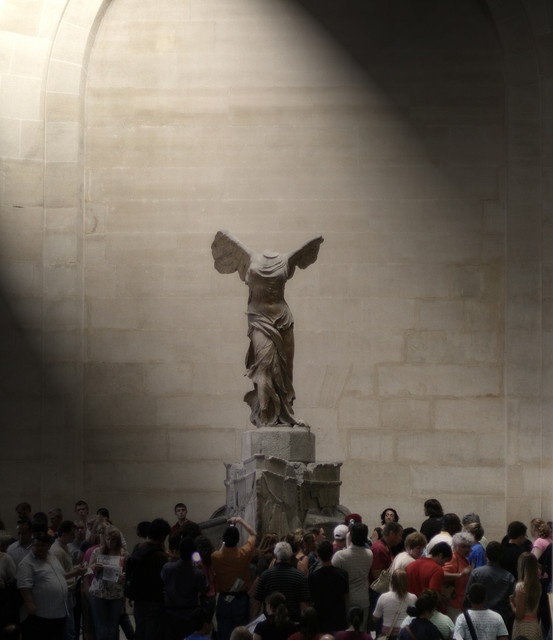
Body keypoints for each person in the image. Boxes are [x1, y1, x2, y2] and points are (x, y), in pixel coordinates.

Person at [212, 229, 324, 427]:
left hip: (283, 319)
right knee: (264, 368)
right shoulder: (249, 258)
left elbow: (309, 247)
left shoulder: (286, 260)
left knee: (286, 370)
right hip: (260, 320)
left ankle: (286, 413)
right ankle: (265, 417)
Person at [211, 516, 257, 640]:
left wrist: (225, 540)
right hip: (240, 598)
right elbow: (253, 534)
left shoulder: (216, 557)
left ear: (224, 539)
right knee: (241, 632)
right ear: (238, 540)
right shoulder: (243, 554)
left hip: (224, 599)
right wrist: (240, 520)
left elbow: (220, 552)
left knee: (223, 632)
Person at [17, 531, 69, 640]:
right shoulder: (27, 563)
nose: (39, 548)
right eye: (36, 545)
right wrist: (30, 603)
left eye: (43, 545)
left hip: (59, 613)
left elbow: (60, 575)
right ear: (32, 544)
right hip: (40, 615)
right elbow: (24, 585)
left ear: (49, 546)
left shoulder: (52, 557)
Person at [126, 517, 171, 640]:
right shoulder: (160, 556)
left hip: (139, 599)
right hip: (155, 601)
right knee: (153, 634)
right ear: (163, 537)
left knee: (140, 631)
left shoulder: (138, 549)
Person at [161, 536, 209, 640]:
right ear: (194, 553)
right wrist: (200, 568)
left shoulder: (167, 568)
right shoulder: (197, 574)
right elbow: (205, 589)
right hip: (189, 615)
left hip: (170, 614)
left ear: (179, 550)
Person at [88, 525, 129, 640]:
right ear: (104, 539)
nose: (110, 542)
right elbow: (88, 569)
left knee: (113, 628)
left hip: (116, 594)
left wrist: (124, 576)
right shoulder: (97, 551)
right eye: (108, 539)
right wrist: (94, 567)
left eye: (113, 539)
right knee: (100, 627)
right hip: (98, 593)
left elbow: (129, 573)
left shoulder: (124, 554)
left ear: (118, 540)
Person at [253, 541, 310, 623]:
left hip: (270, 622)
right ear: (291, 555)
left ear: (275, 556)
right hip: (293, 622)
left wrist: (254, 621)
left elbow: (257, 602)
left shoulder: (265, 575)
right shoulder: (299, 577)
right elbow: (304, 604)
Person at [332, 523, 373, 631]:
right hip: (363, 597)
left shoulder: (340, 556)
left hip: (347, 599)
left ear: (350, 536)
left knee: (347, 632)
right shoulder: (369, 554)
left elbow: (333, 573)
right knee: (361, 631)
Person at [465, 541, 515, 628]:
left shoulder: (476, 573)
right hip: (501, 619)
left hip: (478, 617)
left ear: (485, 555)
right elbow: (513, 601)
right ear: (501, 556)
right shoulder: (509, 577)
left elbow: (467, 597)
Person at [309, 540, 349, 633]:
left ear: (318, 556)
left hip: (321, 618)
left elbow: (311, 599)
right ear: (332, 554)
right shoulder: (342, 574)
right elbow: (346, 596)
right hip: (339, 617)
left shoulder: (313, 577)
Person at [372, 569, 416, 640]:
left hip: (387, 636)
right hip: (405, 635)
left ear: (391, 582)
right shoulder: (413, 598)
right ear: (406, 582)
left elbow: (375, 618)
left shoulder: (384, 597)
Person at [510, 552, 543, 640]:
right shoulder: (538, 586)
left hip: (522, 628)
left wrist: (511, 603)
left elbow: (519, 615)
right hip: (535, 626)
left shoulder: (521, 587)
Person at [443, 532, 474, 621]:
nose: (467, 549)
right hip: (453, 604)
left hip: (461, 603)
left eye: (469, 546)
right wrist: (461, 574)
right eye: (463, 546)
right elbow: (442, 575)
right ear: (455, 546)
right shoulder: (453, 558)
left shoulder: (464, 559)